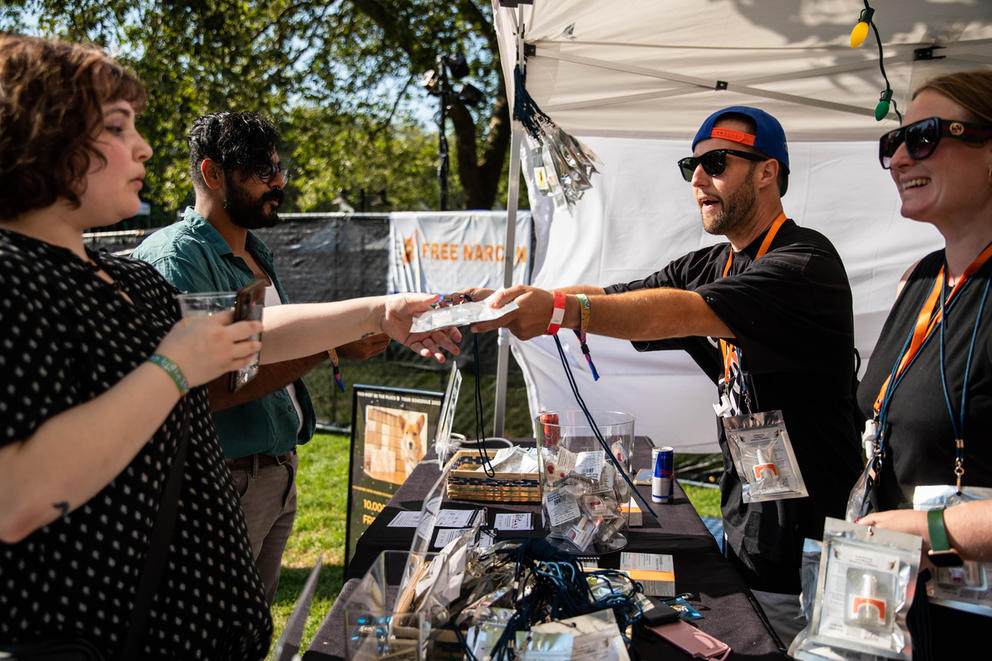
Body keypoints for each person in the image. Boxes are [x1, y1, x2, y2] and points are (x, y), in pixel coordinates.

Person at [0, 34, 457, 659]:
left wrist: (381, 312)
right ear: (39, 138)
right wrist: (172, 367)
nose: (145, 146)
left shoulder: (124, 276)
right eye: (115, 126)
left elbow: (250, 335)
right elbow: (15, 498)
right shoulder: (14, 279)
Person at [470, 106, 863, 645]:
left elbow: (676, 312)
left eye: (716, 163)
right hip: (750, 521)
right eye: (691, 166)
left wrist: (558, 311)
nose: (698, 179)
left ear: (768, 172)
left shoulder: (802, 263)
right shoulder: (717, 263)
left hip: (811, 547)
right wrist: (516, 301)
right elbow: (625, 296)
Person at [131, 111, 389, 604]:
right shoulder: (176, 262)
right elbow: (205, 392)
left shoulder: (255, 252)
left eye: (278, 168)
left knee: (252, 625)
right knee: (210, 626)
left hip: (276, 471)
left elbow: (270, 352)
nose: (278, 182)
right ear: (212, 174)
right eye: (262, 170)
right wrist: (329, 346)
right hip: (222, 480)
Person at [853, 70, 992, 657]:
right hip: (901, 617)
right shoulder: (922, 280)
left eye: (926, 136)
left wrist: (933, 530)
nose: (900, 157)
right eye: (893, 143)